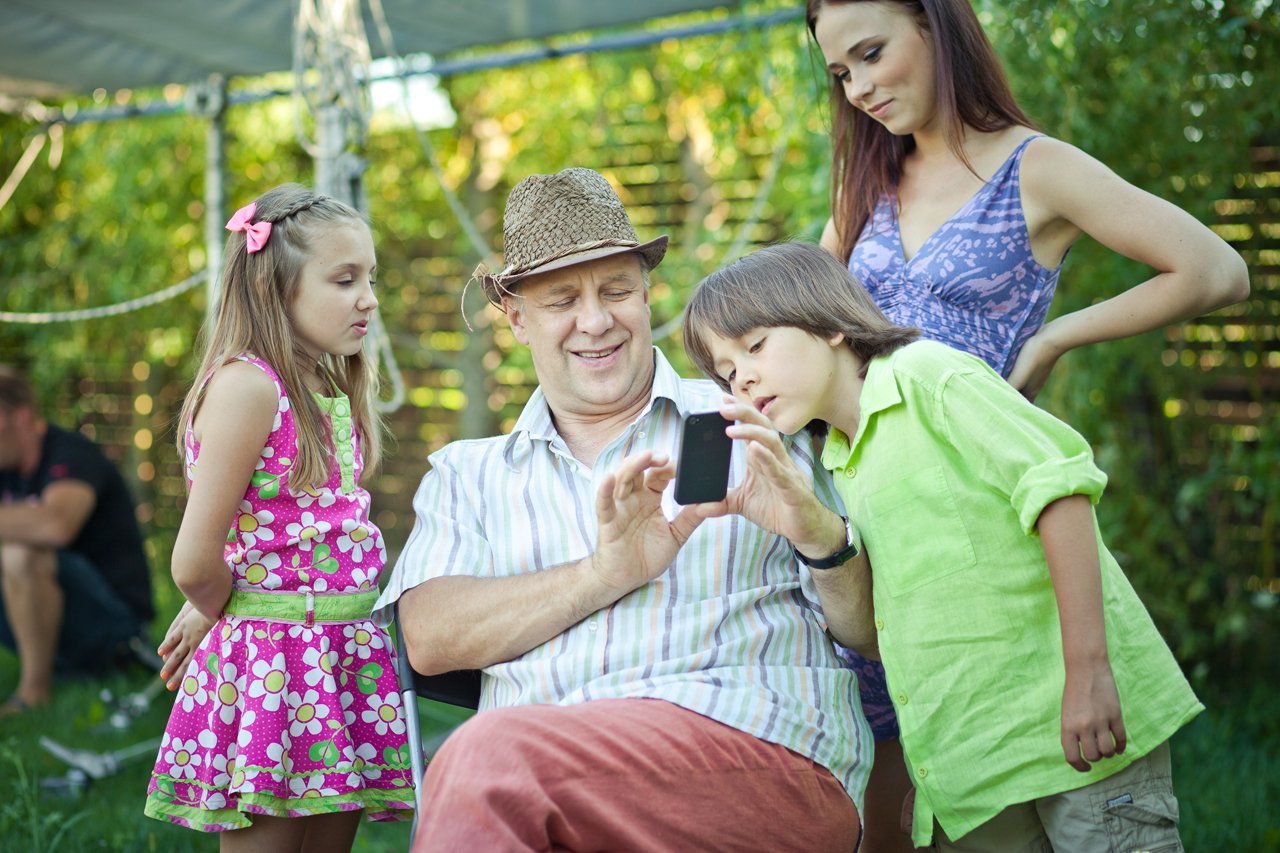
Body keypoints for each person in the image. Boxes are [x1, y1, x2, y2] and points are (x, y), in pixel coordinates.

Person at [804, 2, 1249, 846]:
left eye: (871, 54)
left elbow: (1215, 270)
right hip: (892, 546)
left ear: (936, 27)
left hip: (996, 533)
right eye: (840, 73)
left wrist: (1051, 338)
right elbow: (797, 324)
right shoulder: (864, 183)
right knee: (902, 816)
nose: (859, 87)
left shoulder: (1032, 169)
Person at [375, 167, 874, 851]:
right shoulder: (467, 474)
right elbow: (427, 639)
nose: (596, 320)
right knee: (494, 760)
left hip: (756, 750)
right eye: (561, 300)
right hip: (538, 790)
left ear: (646, 292)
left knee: (486, 757)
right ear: (516, 317)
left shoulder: (751, 414)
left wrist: (823, 538)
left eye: (615, 289)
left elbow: (868, 630)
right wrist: (606, 571)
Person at [682, 240, 1204, 852]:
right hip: (979, 770)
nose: (740, 376)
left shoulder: (925, 377)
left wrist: (1089, 673)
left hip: (1079, 732)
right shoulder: (836, 461)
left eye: (754, 346)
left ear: (825, 324)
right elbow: (904, 630)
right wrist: (935, 773)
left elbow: (1059, 491)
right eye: (724, 371)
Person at [143, 184, 413, 850]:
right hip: (275, 663)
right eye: (345, 279)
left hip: (340, 652)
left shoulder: (327, 384)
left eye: (370, 278)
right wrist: (218, 607)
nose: (368, 298)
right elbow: (193, 559)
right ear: (276, 289)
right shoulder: (249, 387)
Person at [0, 366, 155, 715]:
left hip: (114, 626)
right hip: (54, 625)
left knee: (20, 552)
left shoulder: (73, 453)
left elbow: (56, 525)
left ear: (21, 416)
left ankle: (33, 693)